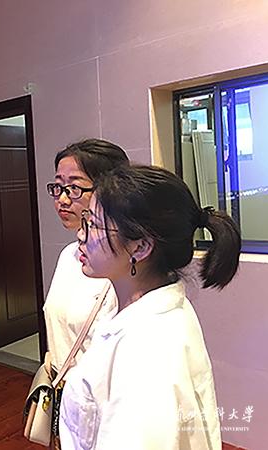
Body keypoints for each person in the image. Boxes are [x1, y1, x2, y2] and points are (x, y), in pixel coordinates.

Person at [59, 165, 241, 449]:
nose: (81, 236)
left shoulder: (147, 349)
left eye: (93, 224)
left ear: (140, 247)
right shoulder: (143, 311)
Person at [43, 139, 129, 377]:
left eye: (74, 188)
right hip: (64, 388)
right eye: (58, 187)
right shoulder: (68, 255)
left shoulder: (121, 268)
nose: (62, 200)